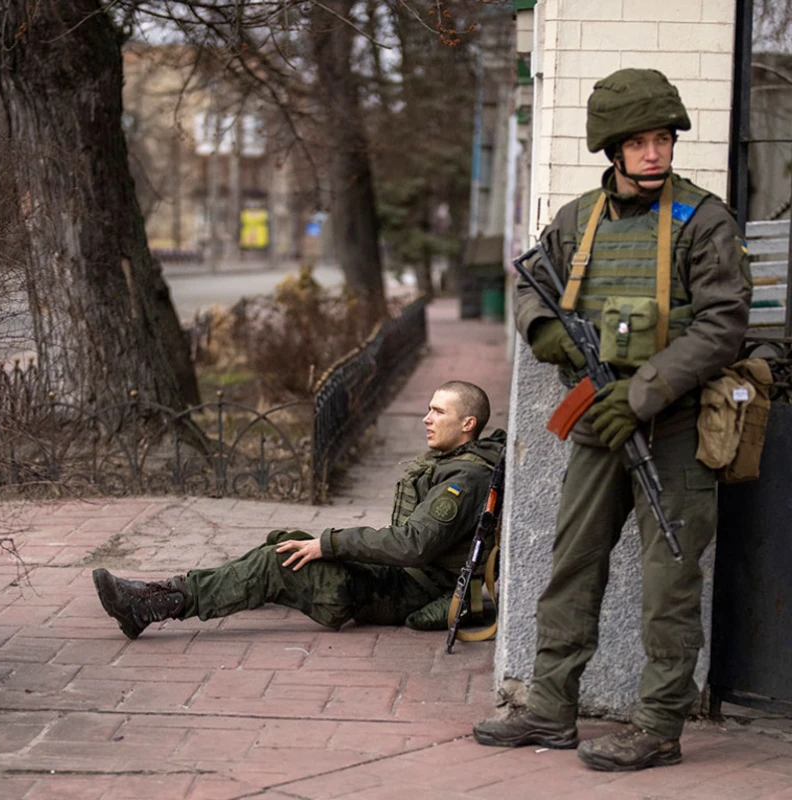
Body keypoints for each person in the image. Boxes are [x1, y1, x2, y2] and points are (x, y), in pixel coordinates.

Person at [472, 69, 752, 772]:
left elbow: (722, 327)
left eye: (662, 139)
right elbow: (529, 286)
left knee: (670, 582)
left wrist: (645, 391)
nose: (654, 153)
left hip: (678, 425)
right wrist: (550, 337)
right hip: (598, 421)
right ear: (613, 150)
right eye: (638, 142)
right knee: (572, 566)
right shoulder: (577, 222)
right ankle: (548, 707)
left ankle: (657, 725)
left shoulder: (704, 220)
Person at [92, 381, 505, 640]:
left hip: (401, 591)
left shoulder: (462, 480)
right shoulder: (459, 464)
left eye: (438, 412)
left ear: (468, 423)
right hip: (399, 578)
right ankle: (197, 589)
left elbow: (412, 545)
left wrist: (331, 544)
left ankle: (152, 605)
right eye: (428, 408)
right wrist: (328, 546)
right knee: (282, 542)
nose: (425, 418)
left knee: (279, 563)